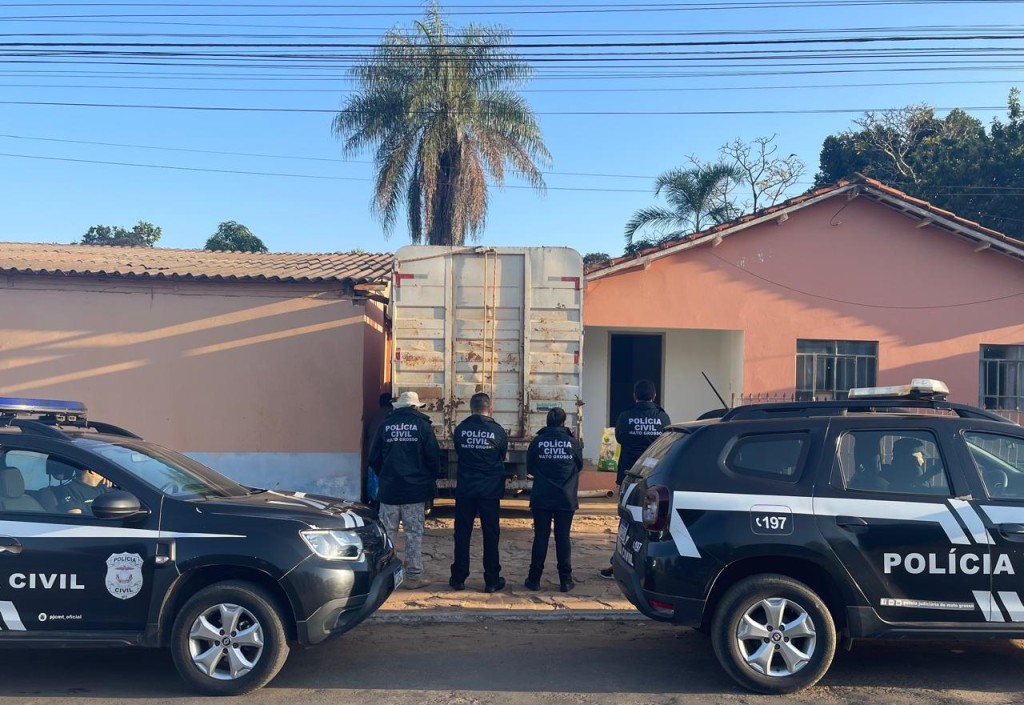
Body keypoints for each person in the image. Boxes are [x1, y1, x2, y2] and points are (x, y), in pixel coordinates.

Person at [368, 390, 441, 590]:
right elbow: (433, 458)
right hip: (414, 492)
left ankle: (385, 578)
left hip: (389, 490)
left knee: (387, 534)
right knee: (413, 534)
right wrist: (426, 479)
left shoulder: (386, 425)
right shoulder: (422, 426)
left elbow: (374, 457)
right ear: (415, 407)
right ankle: (413, 577)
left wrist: (386, 475)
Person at [600, 379, 671, 579]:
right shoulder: (662, 417)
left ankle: (621, 561)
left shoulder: (625, 416)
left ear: (634, 395)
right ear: (654, 396)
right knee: (651, 521)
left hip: (629, 476)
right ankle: (632, 562)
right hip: (654, 476)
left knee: (626, 519)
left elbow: (620, 438)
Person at [449, 392, 509, 593]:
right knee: (491, 534)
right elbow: (501, 455)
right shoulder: (498, 431)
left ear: (471, 408)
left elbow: (459, 450)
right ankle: (492, 580)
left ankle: (458, 578)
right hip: (490, 490)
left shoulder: (461, 429)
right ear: (489, 408)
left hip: (466, 489)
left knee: (462, 533)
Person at [525, 407, 583, 593]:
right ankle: (565, 580)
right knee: (562, 537)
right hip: (565, 497)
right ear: (563, 422)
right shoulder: (572, 443)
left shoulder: (537, 442)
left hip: (542, 496)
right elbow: (579, 465)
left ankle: (534, 579)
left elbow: (530, 468)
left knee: (540, 537)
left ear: (547, 421)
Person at [38, 459, 110, 514]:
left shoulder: (106, 488)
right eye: (103, 468)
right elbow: (76, 519)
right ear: (92, 471)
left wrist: (113, 479)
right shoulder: (70, 490)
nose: (106, 472)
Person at [363, 392, 394, 510]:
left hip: (373, 457)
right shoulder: (390, 416)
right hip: (383, 458)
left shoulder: (376, 416)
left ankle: (375, 505)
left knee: (374, 489)